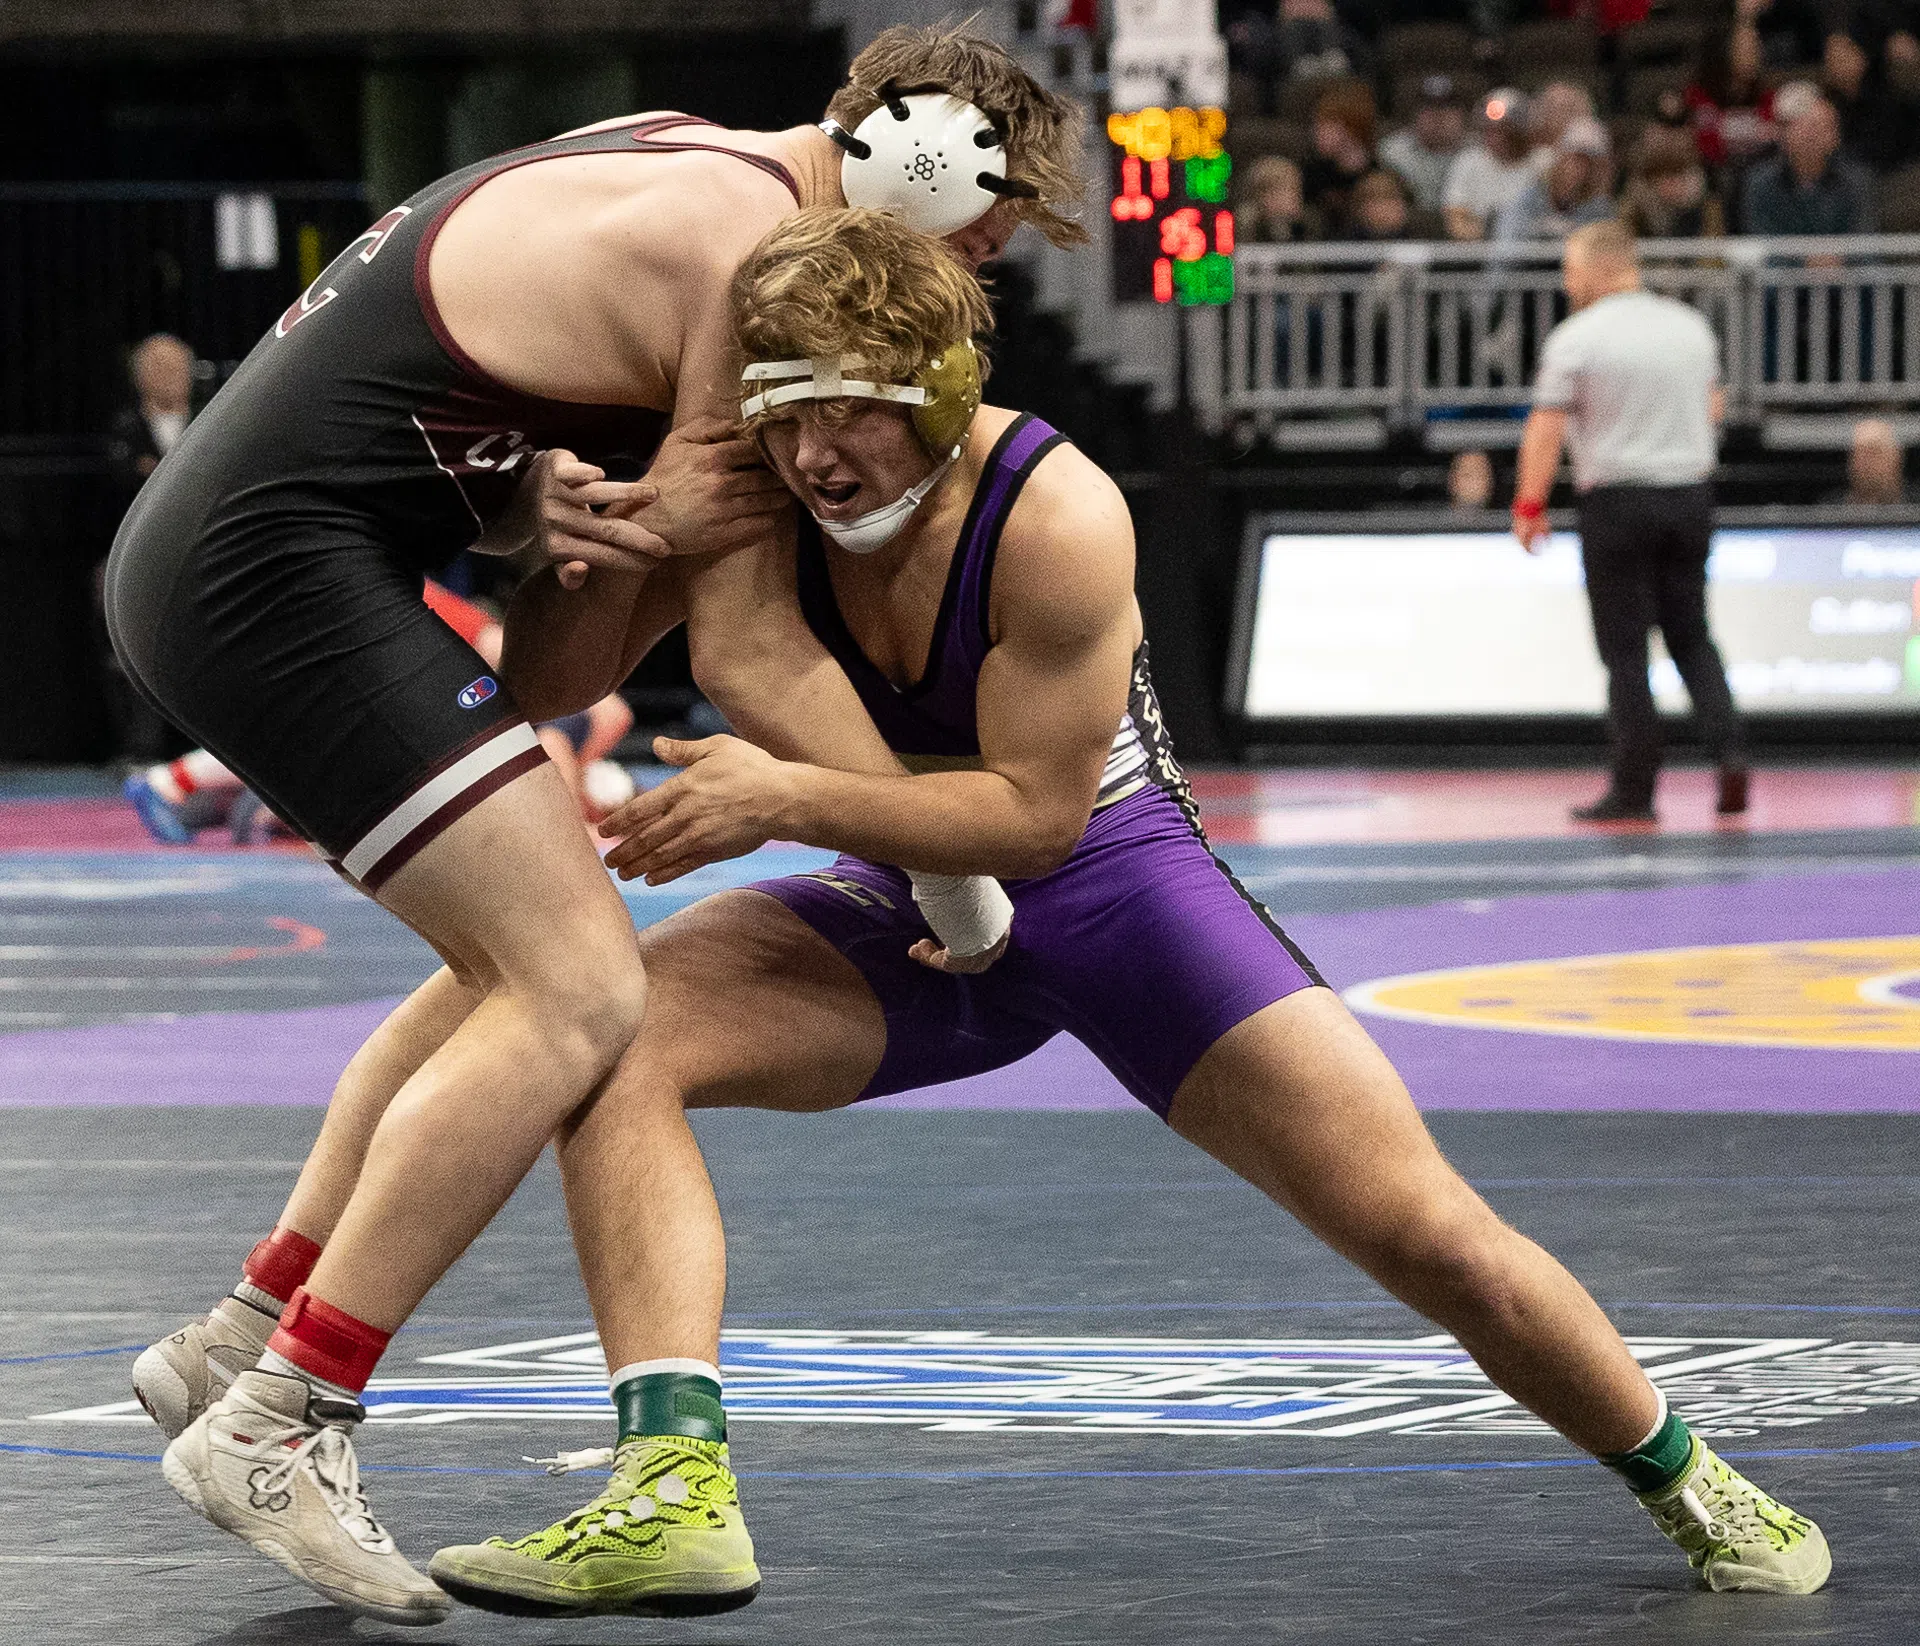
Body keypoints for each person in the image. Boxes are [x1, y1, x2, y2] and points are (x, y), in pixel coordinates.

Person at [421, 206, 1831, 1617]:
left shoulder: (1058, 507)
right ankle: (676, 1486)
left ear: (945, 390)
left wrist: (788, 795)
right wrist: (579, 544)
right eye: (786, 419)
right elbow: (546, 681)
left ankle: (1686, 1472)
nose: (811, 457)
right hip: (903, 890)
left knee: (1423, 1230)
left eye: (848, 417)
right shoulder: (765, 485)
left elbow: (1034, 818)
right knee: (607, 1034)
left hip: (1113, 884)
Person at [116, 24, 1085, 1625]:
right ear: (911, 168)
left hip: (259, 545)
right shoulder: (752, 258)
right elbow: (752, 652)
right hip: (275, 570)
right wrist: (954, 869)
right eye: (971, 247)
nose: (951, 308)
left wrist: (586, 517)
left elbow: (555, 665)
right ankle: (286, 1417)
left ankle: (245, 1329)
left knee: (514, 970)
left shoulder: (690, 154)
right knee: (581, 990)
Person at [1512, 221, 1747, 824]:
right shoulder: (1690, 328)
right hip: (1690, 494)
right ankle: (1730, 755)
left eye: (1570, 272)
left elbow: (1547, 426)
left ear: (1599, 267)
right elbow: (1715, 406)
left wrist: (1530, 505)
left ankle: (1635, 791)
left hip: (1618, 501)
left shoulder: (1578, 339)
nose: (1567, 285)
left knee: (1625, 653)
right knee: (1692, 636)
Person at [122, 580, 638, 842]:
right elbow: (607, 723)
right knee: (317, 743)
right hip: (408, 675)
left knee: (322, 752)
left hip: (412, 688)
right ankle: (189, 786)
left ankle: (230, 803)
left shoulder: (559, 715)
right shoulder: (561, 723)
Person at [1741, 88, 1876, 236]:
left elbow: (1866, 244)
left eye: (1823, 128)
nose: (1812, 137)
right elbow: (1760, 242)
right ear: (1785, 134)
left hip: (1843, 259)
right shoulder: (1761, 182)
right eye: (1805, 127)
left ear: (1835, 137)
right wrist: (1803, 259)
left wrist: (1837, 256)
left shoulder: (1856, 181)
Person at [1494, 115, 1615, 242]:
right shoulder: (1530, 199)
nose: (1581, 170)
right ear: (1560, 159)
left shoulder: (1600, 210)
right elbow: (1506, 253)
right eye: (1576, 159)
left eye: (1590, 163)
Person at [1442, 88, 1538, 241]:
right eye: (1489, 130)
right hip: (1477, 249)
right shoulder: (1468, 161)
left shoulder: (1543, 162)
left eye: (1503, 131)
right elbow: (1455, 216)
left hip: (1530, 248)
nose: (1494, 138)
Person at [107, 333, 198, 482]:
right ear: (139, 376)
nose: (169, 376)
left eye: (176, 368)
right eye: (160, 368)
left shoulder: (208, 419)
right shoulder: (126, 427)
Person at [1379, 73, 1467, 213]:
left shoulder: (1478, 152)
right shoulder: (1392, 152)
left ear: (1461, 116)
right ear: (1414, 116)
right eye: (1429, 109)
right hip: (1409, 229)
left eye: (1447, 108)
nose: (1438, 117)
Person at [1618, 125, 1725, 240]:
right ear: (1652, 181)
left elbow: (1713, 250)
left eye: (1676, 176)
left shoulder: (1707, 210)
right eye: (1662, 177)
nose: (1670, 183)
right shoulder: (1635, 209)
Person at [1301, 78, 1378, 230]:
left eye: (1324, 126)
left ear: (1351, 129)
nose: (1316, 133)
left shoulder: (1379, 177)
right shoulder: (1310, 175)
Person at [1346, 165, 1444, 241]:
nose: (1382, 207)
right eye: (1373, 199)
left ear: (1405, 203)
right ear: (1358, 209)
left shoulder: (1430, 231)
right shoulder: (1344, 241)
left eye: (1390, 197)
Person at [1240, 153, 1317, 242]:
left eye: (1296, 189)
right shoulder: (1248, 224)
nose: (1296, 196)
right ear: (1265, 195)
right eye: (1288, 189)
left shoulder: (1310, 223)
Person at [1835, 416, 1913, 504]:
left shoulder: (1914, 508)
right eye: (1859, 453)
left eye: (1874, 451)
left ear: (1895, 457)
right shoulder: (1830, 510)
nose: (1866, 461)